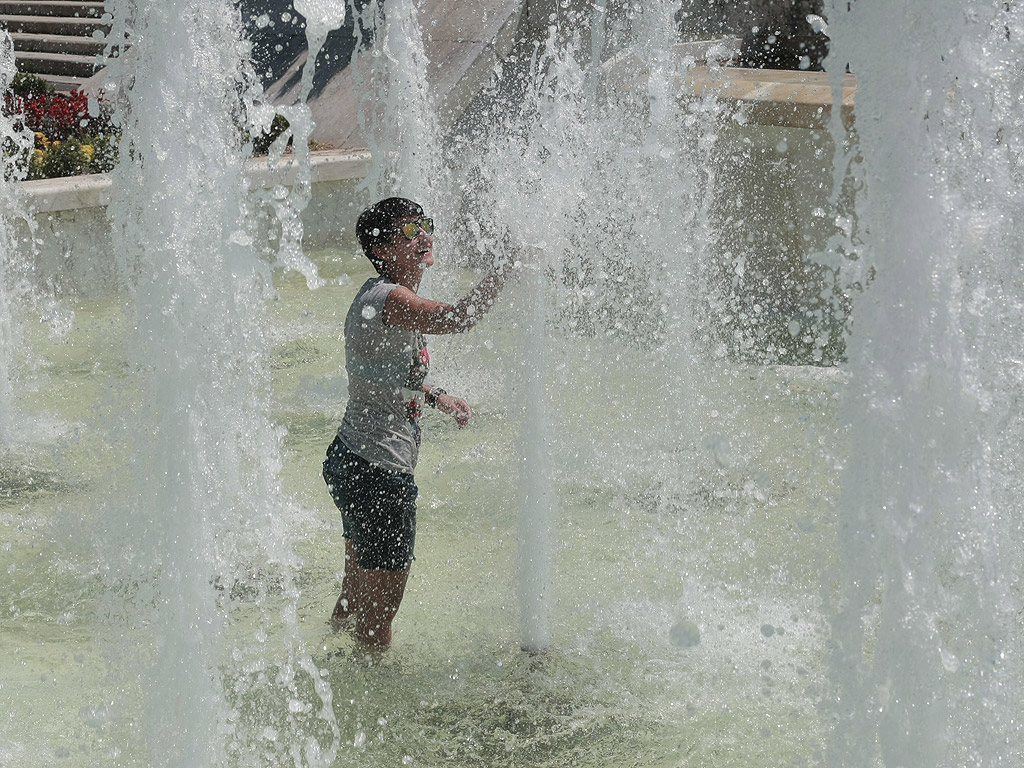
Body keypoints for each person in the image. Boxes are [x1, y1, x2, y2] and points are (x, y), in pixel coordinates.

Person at [322, 197, 515, 650]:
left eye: (425, 225)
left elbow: (383, 374)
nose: (424, 235)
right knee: (379, 615)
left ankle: (327, 659)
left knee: (355, 595)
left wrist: (436, 396)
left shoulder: (382, 297)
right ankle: (372, 693)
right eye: (410, 232)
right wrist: (508, 268)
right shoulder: (391, 299)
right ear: (384, 249)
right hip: (379, 473)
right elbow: (460, 318)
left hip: (352, 458)